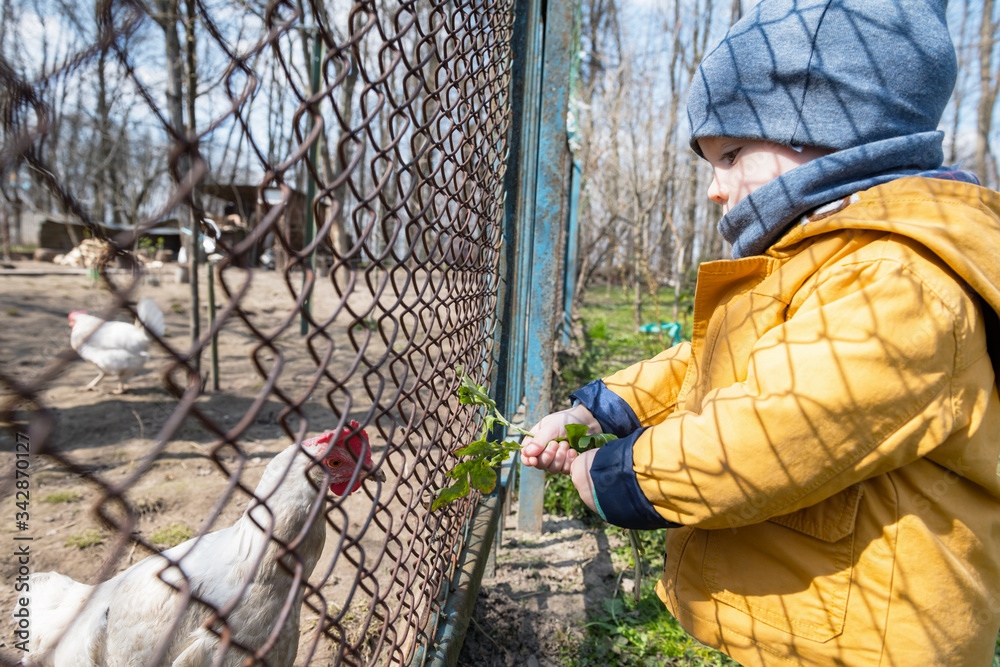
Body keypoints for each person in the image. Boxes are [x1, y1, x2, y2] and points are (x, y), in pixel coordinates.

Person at [521, 0, 1000, 664]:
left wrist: (613, 473)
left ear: (834, 135)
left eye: (732, 153)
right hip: (822, 622)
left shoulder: (897, 279)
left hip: (878, 641)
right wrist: (603, 407)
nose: (715, 189)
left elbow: (769, 432)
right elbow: (716, 357)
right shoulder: (824, 260)